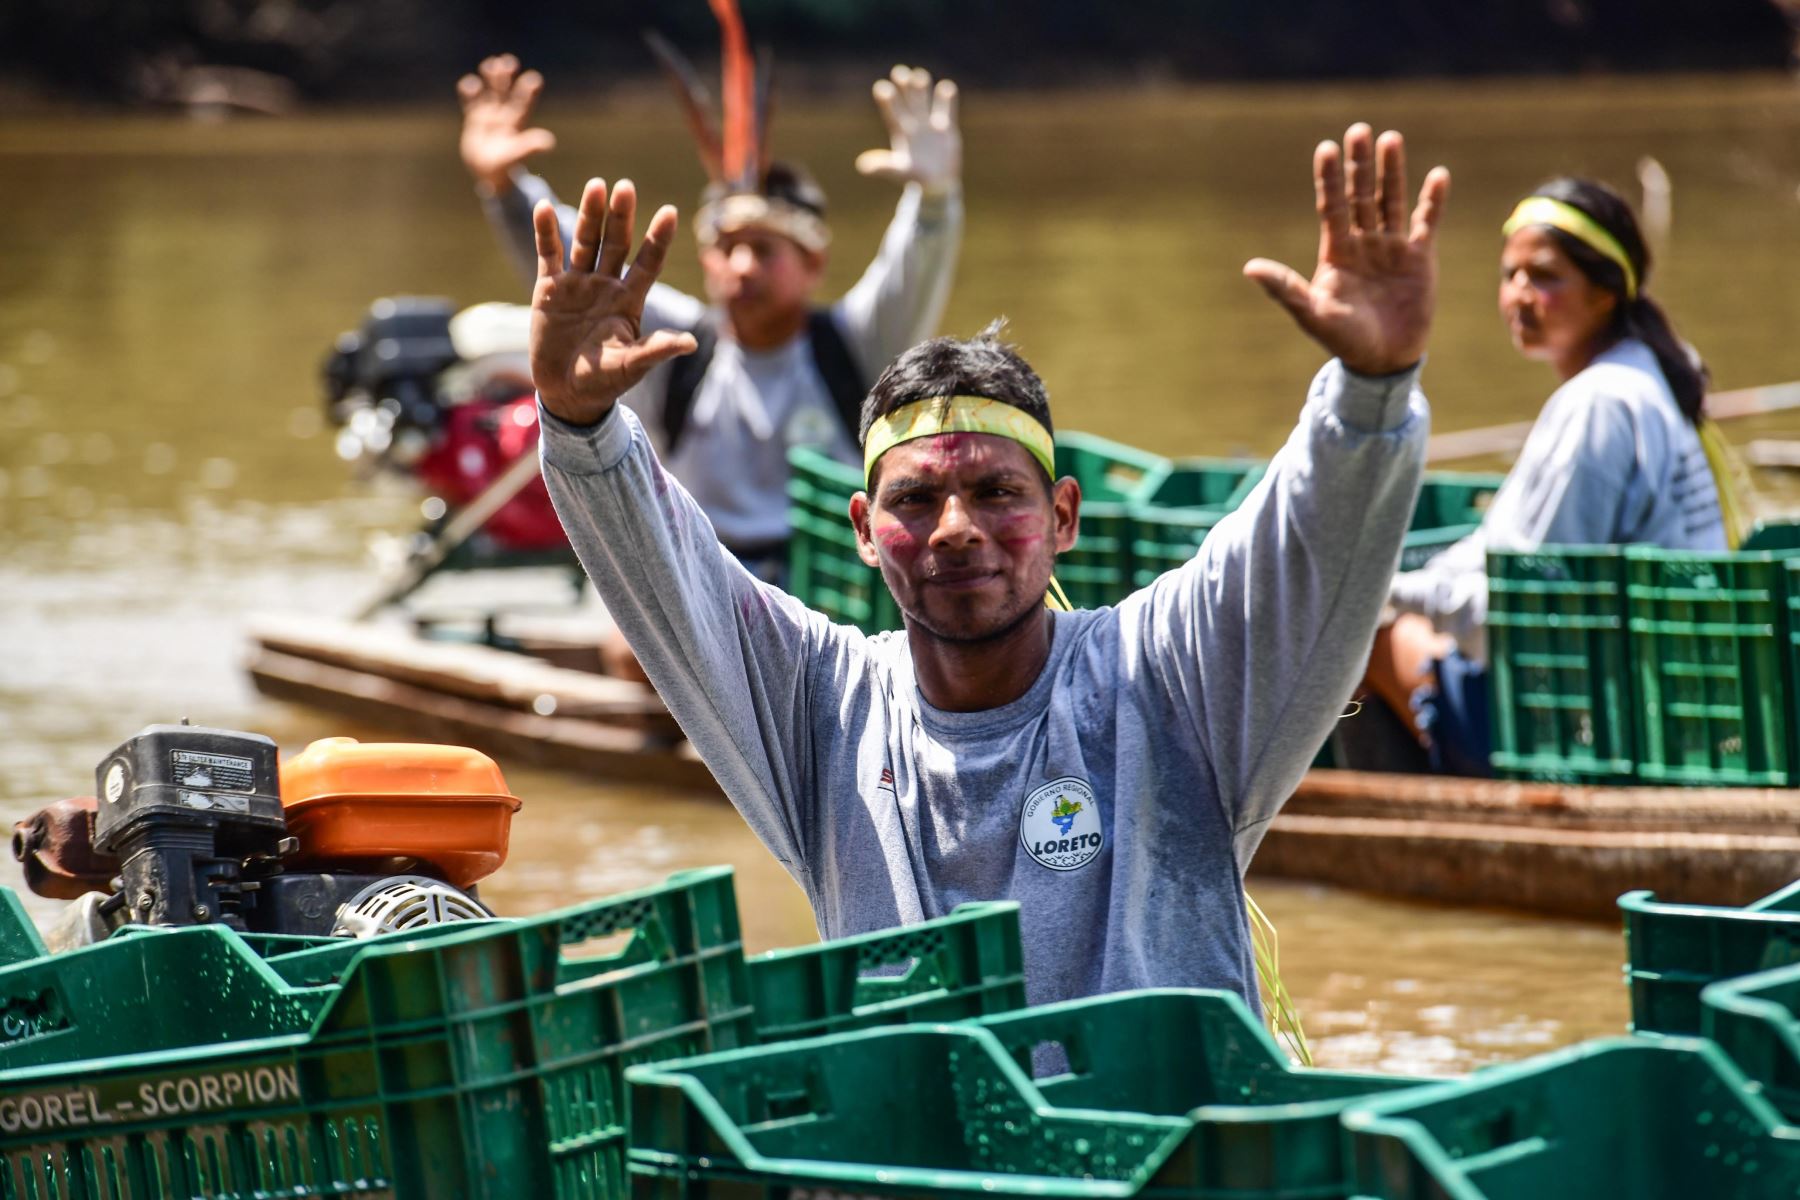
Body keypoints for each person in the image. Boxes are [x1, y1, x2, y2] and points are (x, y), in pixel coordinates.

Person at [524, 124, 1446, 1033]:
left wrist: (1370, 393)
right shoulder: (823, 706)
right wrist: (580, 426)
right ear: (863, 532)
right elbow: (670, 584)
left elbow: (1300, 555)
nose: (958, 530)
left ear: (1064, 519)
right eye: (917, 500)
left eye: (998, 492)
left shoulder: (1161, 677)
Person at [457, 50, 964, 584]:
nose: (742, 267)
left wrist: (935, 196)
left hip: (827, 593)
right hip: (701, 582)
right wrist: (504, 187)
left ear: (812, 263)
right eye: (727, 248)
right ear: (705, 260)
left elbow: (914, 263)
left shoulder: (854, 342)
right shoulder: (676, 344)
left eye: (765, 250)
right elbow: (576, 267)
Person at [1363, 177, 1736, 776]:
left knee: (1359, 645)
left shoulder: (1598, 405)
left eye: (1545, 276)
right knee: (1383, 613)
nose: (1519, 295)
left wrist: (1379, 598)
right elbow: (1504, 558)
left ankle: (1432, 831)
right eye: (1510, 276)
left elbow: (1522, 617)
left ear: (1605, 292)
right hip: (1647, 691)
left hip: (1593, 720)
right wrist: (1399, 586)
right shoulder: (1648, 370)